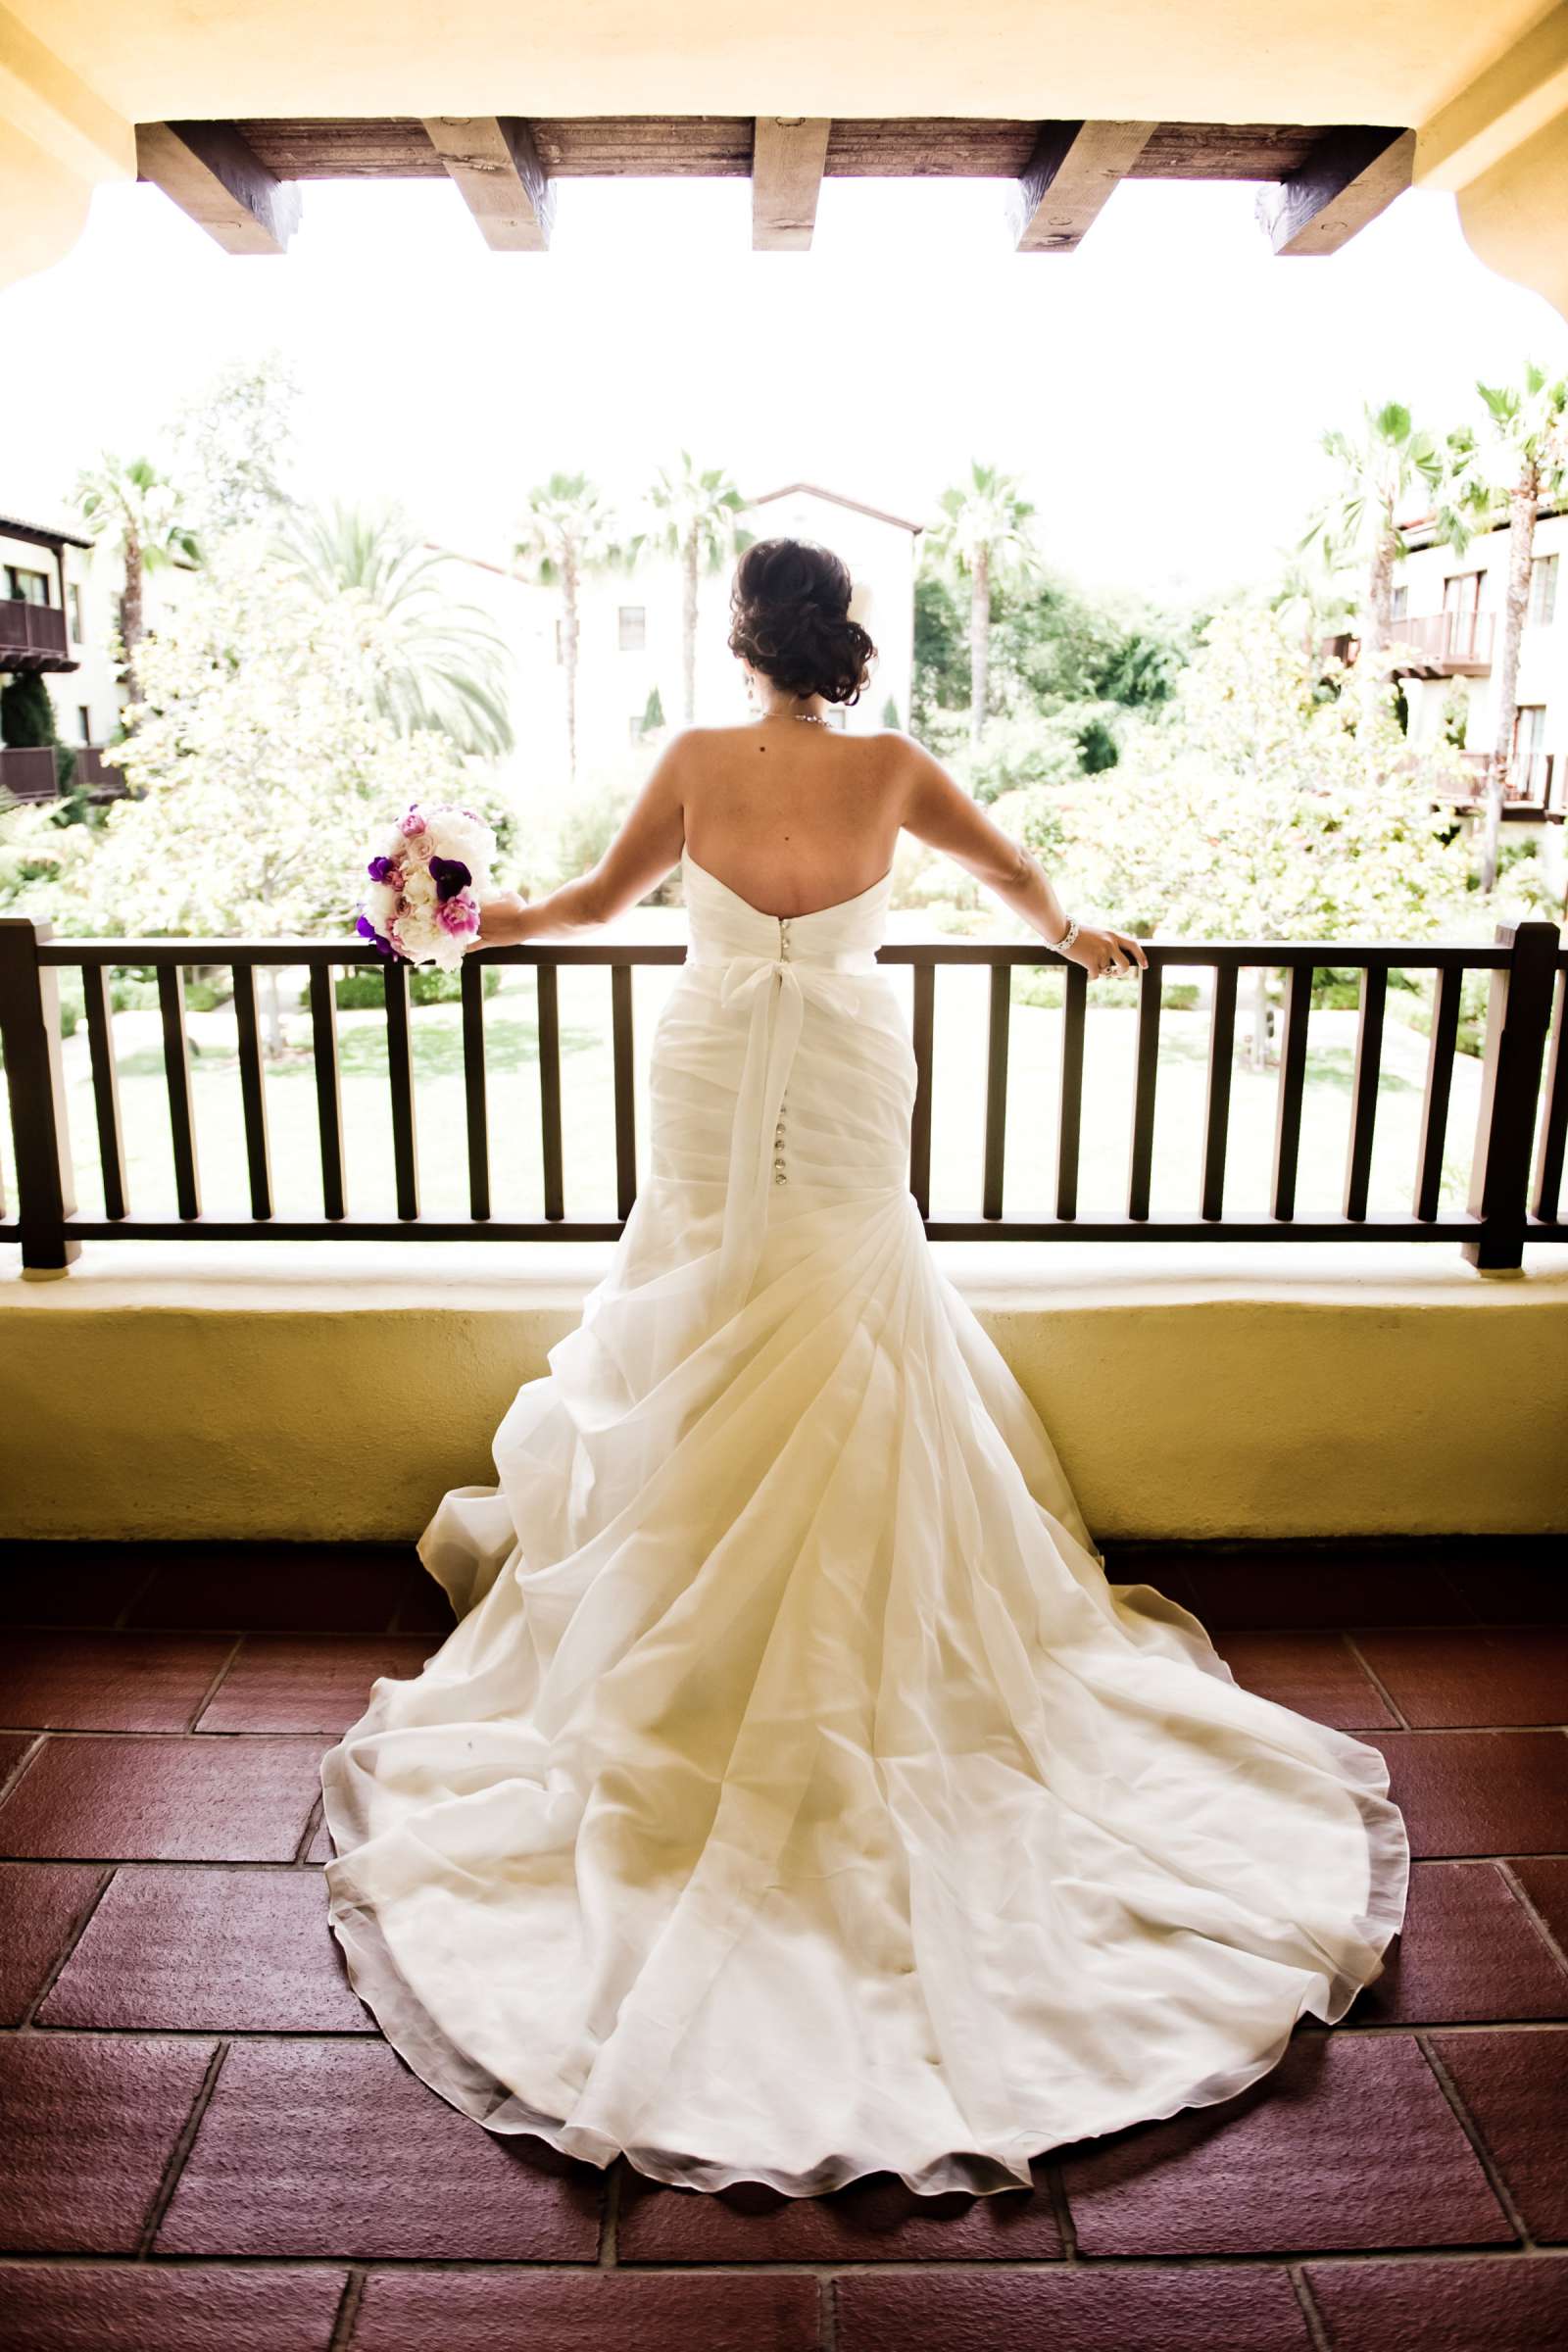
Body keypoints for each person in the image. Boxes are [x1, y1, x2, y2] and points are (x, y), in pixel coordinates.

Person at [319, 536, 1409, 2201]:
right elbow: (1021, 882)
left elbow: (592, 911)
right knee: (842, 1305)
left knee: (692, 1304)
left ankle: (679, 1653)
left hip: (704, 1078)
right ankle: (838, 1637)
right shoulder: (898, 768)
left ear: (744, 638)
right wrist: (1083, 938)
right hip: (839, 1072)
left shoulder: (691, 759)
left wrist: (449, 914)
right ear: (842, 640)